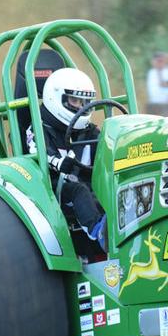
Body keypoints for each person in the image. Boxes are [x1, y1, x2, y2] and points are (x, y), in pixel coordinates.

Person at [28, 68, 107, 249]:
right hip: (51, 186)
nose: (81, 107)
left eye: (86, 102)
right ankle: (98, 231)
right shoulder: (39, 128)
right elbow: (37, 151)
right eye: (75, 100)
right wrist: (58, 162)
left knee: (106, 186)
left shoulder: (91, 132)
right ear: (56, 98)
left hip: (84, 183)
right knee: (79, 189)